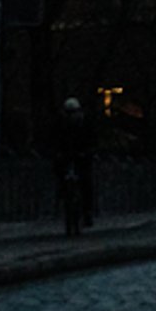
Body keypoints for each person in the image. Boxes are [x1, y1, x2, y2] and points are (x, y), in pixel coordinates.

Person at [55, 96, 96, 228]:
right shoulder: (61, 124)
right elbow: (55, 139)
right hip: (66, 155)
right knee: (60, 175)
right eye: (69, 113)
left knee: (86, 181)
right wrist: (57, 153)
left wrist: (89, 151)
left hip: (82, 155)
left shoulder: (84, 124)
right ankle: (62, 195)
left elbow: (92, 139)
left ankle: (87, 211)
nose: (71, 116)